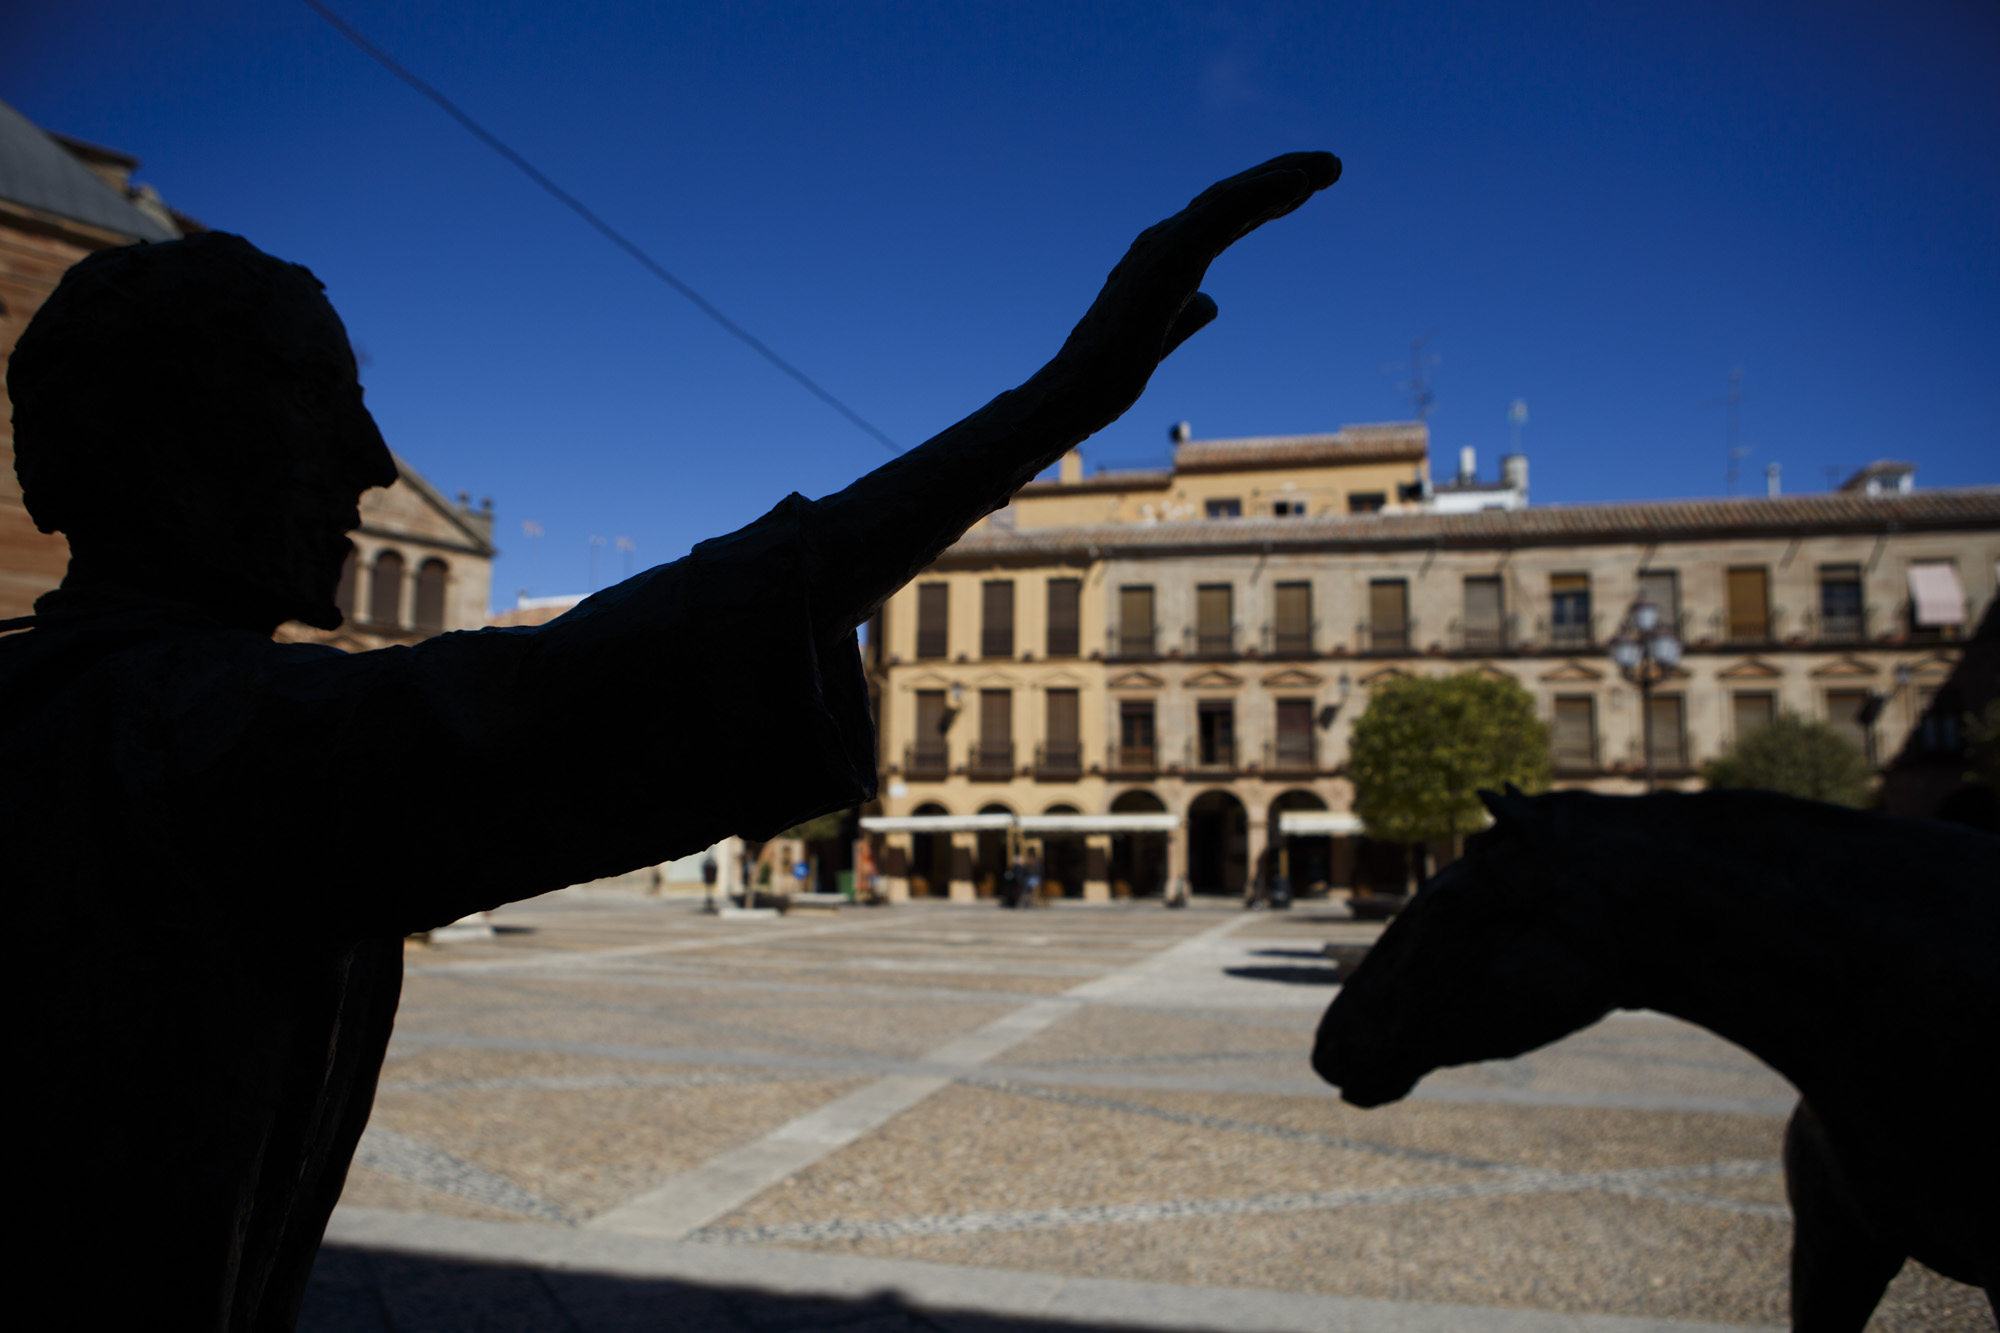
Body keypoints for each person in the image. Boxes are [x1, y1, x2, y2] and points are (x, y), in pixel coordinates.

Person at [1, 152, 1337, 1329]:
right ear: (167, 435)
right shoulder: (183, 736)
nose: (365, 457)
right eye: (316, 399)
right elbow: (600, 675)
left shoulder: (110, 707)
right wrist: (1054, 407)